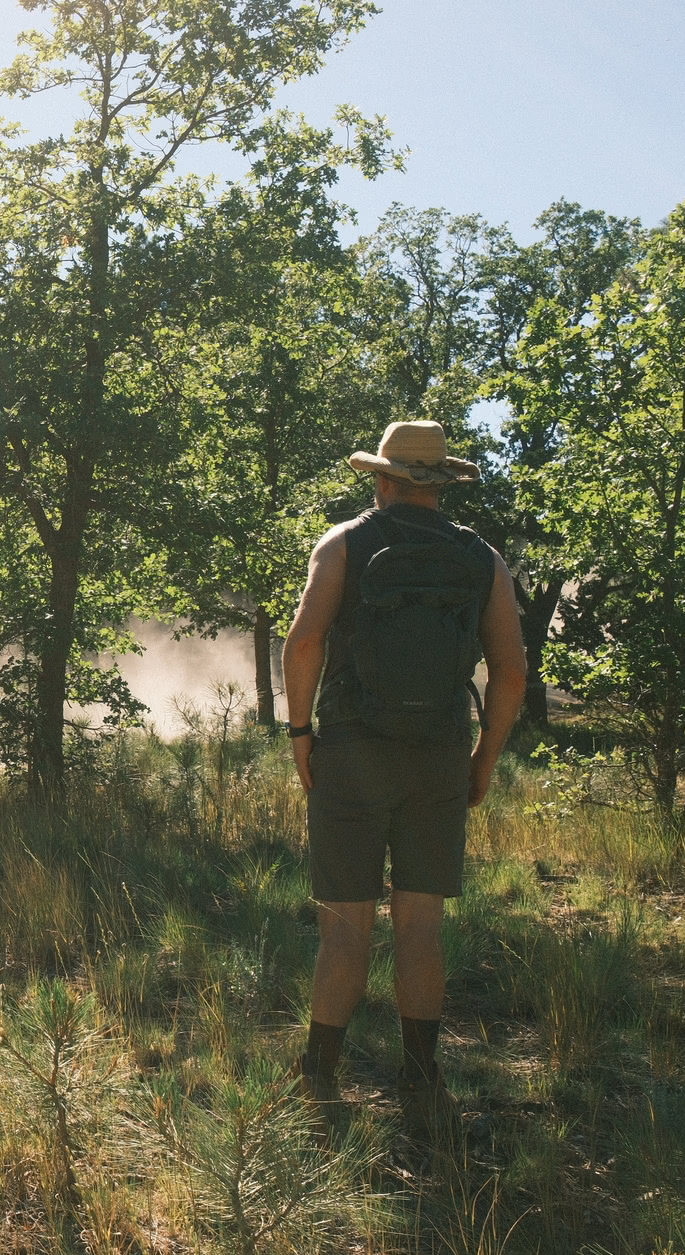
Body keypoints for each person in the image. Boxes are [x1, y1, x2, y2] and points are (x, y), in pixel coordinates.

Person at [283, 420, 526, 1135]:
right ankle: (421, 1080)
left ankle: (320, 1079)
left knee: (344, 929)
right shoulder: (482, 559)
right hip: (438, 759)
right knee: (420, 927)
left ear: (382, 479)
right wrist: (481, 760)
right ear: (441, 484)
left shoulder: (344, 544)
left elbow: (303, 643)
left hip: (353, 755)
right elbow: (510, 672)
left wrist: (302, 734)